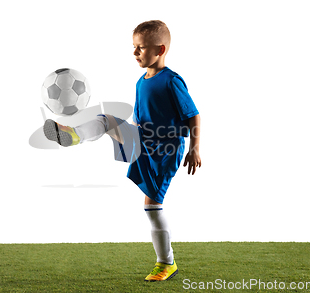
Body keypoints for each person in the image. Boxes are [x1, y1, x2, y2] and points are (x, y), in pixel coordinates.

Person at [43, 20, 201, 281]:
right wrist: (129, 134)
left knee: (152, 206)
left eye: (140, 48)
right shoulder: (141, 81)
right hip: (143, 140)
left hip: (165, 150)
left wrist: (194, 149)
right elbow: (141, 115)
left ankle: (166, 263)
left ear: (160, 49)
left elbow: (193, 115)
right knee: (107, 120)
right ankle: (72, 135)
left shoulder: (172, 81)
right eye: (134, 47)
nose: (135, 53)